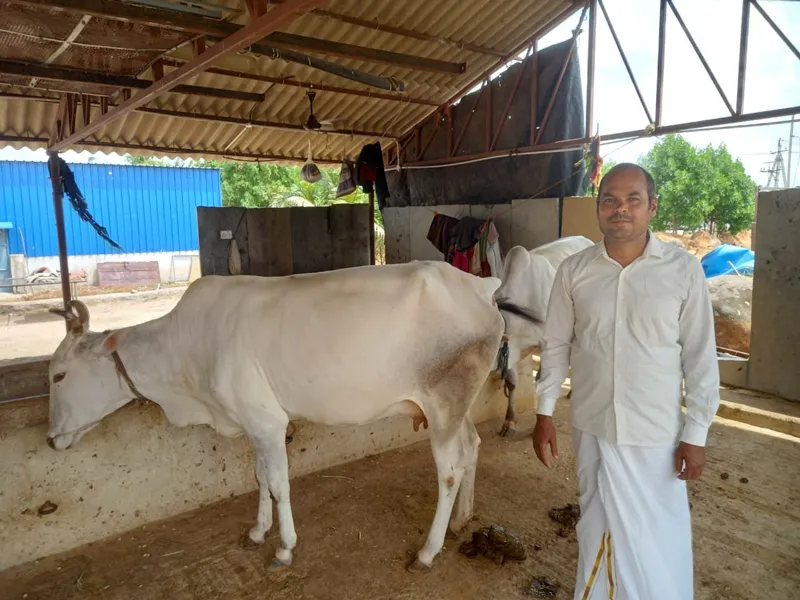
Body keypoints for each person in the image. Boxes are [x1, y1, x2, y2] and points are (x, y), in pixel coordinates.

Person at [533, 163, 720, 599]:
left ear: (652, 207)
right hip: (592, 425)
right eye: (610, 200)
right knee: (596, 521)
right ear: (598, 210)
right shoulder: (574, 271)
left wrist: (697, 432)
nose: (621, 209)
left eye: (633, 199)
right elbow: (556, 344)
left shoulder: (683, 269)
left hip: (655, 433)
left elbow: (699, 355)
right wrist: (544, 412)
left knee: (658, 533)